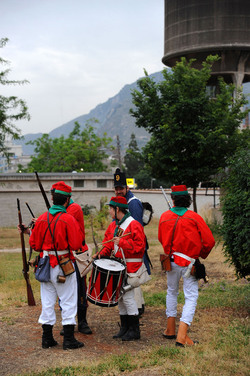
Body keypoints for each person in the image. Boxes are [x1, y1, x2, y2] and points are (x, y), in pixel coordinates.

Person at [29, 181, 84, 350]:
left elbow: (34, 245)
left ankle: (47, 338)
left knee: (47, 301)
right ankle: (68, 340)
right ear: (67, 200)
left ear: (52, 198)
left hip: (45, 264)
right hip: (63, 265)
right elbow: (76, 244)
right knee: (67, 300)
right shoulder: (68, 219)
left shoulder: (41, 219)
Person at [158, 185, 215, 347]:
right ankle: (181, 335)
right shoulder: (194, 217)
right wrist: (200, 254)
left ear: (173, 199)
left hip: (171, 261)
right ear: (188, 200)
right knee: (191, 297)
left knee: (171, 292)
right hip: (189, 262)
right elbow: (209, 241)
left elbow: (161, 239)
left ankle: (170, 329)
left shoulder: (164, 217)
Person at [99, 196, 146, 341]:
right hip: (117, 265)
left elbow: (140, 247)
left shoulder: (134, 224)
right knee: (119, 297)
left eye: (111, 208)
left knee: (128, 298)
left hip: (131, 265)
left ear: (117, 209)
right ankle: (125, 328)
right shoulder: (113, 226)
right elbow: (108, 244)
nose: (109, 211)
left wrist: (123, 242)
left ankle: (134, 330)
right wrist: (101, 254)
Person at [50, 182, 92, 336]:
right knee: (65, 290)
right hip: (65, 255)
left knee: (80, 289)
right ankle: (68, 321)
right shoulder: (59, 211)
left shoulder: (73, 209)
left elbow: (62, 229)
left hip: (77, 254)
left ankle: (82, 321)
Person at [113, 168, 151, 316]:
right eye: (116, 188)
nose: (118, 191)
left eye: (121, 188)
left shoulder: (132, 203)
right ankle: (137, 306)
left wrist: (125, 244)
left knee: (133, 276)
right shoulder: (120, 201)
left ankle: (137, 308)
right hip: (124, 247)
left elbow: (135, 229)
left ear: (126, 188)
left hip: (132, 247)